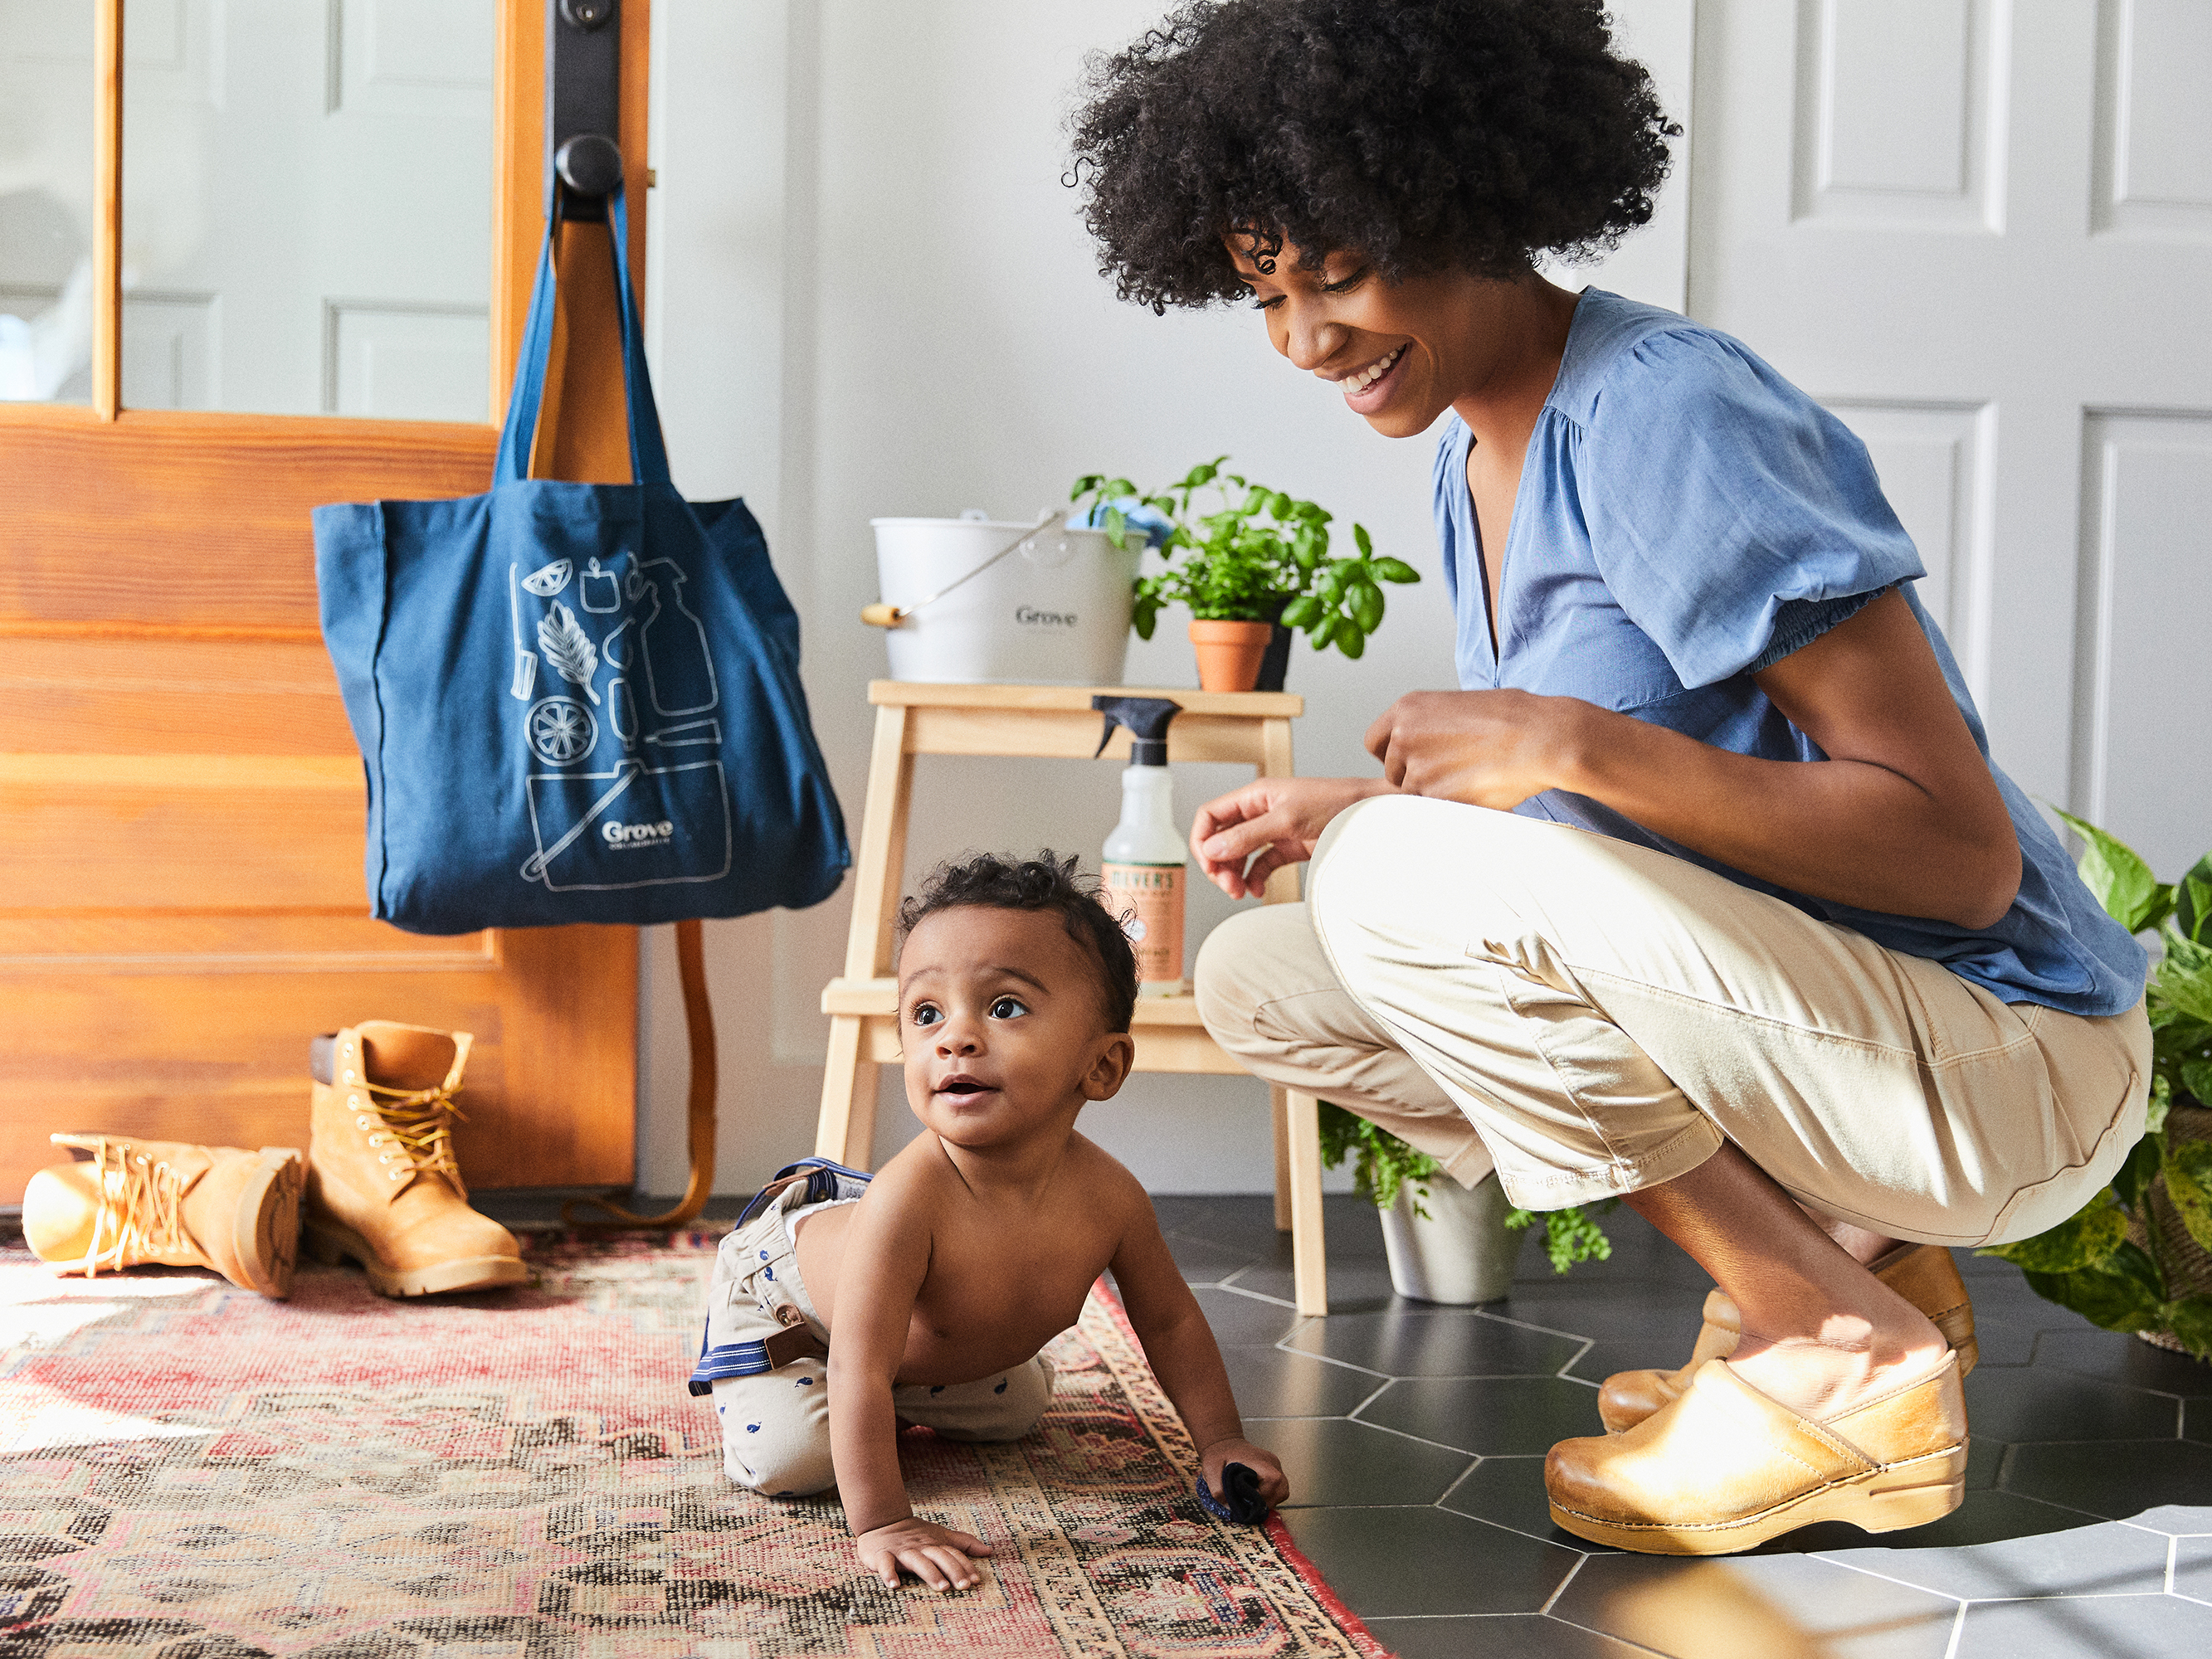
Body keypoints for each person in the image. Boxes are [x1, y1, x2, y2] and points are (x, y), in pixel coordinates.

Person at [1070, 0, 2150, 1554]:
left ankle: (1845, 1353)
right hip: (1848, 1038)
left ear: (1472, 205)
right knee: (1268, 979)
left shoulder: (1666, 410)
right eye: (1266, 288)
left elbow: (1957, 857)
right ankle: (1846, 1264)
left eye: (1343, 272)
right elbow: (1639, 833)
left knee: (1390, 885)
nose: (1306, 340)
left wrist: (1558, 749)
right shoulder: (1473, 445)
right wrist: (1373, 813)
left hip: (2011, 1057)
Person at [692, 852, 1289, 1591]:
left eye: (1004, 1007)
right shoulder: (910, 1198)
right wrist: (882, 1520)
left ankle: (899, 1404)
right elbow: (857, 1362)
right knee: (798, 1462)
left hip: (897, 1350)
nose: (955, 1037)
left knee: (1020, 1408)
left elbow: (1168, 1324)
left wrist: (1221, 1439)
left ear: (1101, 1067)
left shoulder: (1111, 1198)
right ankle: (799, 1391)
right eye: (926, 1013)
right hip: (787, 1305)